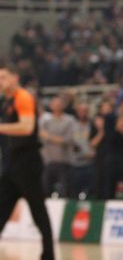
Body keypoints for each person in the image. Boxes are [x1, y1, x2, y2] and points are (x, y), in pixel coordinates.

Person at [0, 62, 54, 260]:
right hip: (11, 163)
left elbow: (27, 127)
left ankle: (49, 254)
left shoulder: (23, 97)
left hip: (28, 162)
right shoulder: (5, 101)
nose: (0, 82)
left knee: (38, 211)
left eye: (3, 77)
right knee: (1, 208)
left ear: (15, 78)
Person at [40, 96, 76, 197]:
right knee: (45, 190)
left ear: (63, 106)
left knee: (66, 191)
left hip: (64, 161)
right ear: (51, 106)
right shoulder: (45, 120)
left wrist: (49, 137)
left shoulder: (69, 120)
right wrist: (57, 138)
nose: (57, 106)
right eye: (54, 104)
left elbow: (68, 139)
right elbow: (41, 136)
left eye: (59, 104)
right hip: (48, 160)